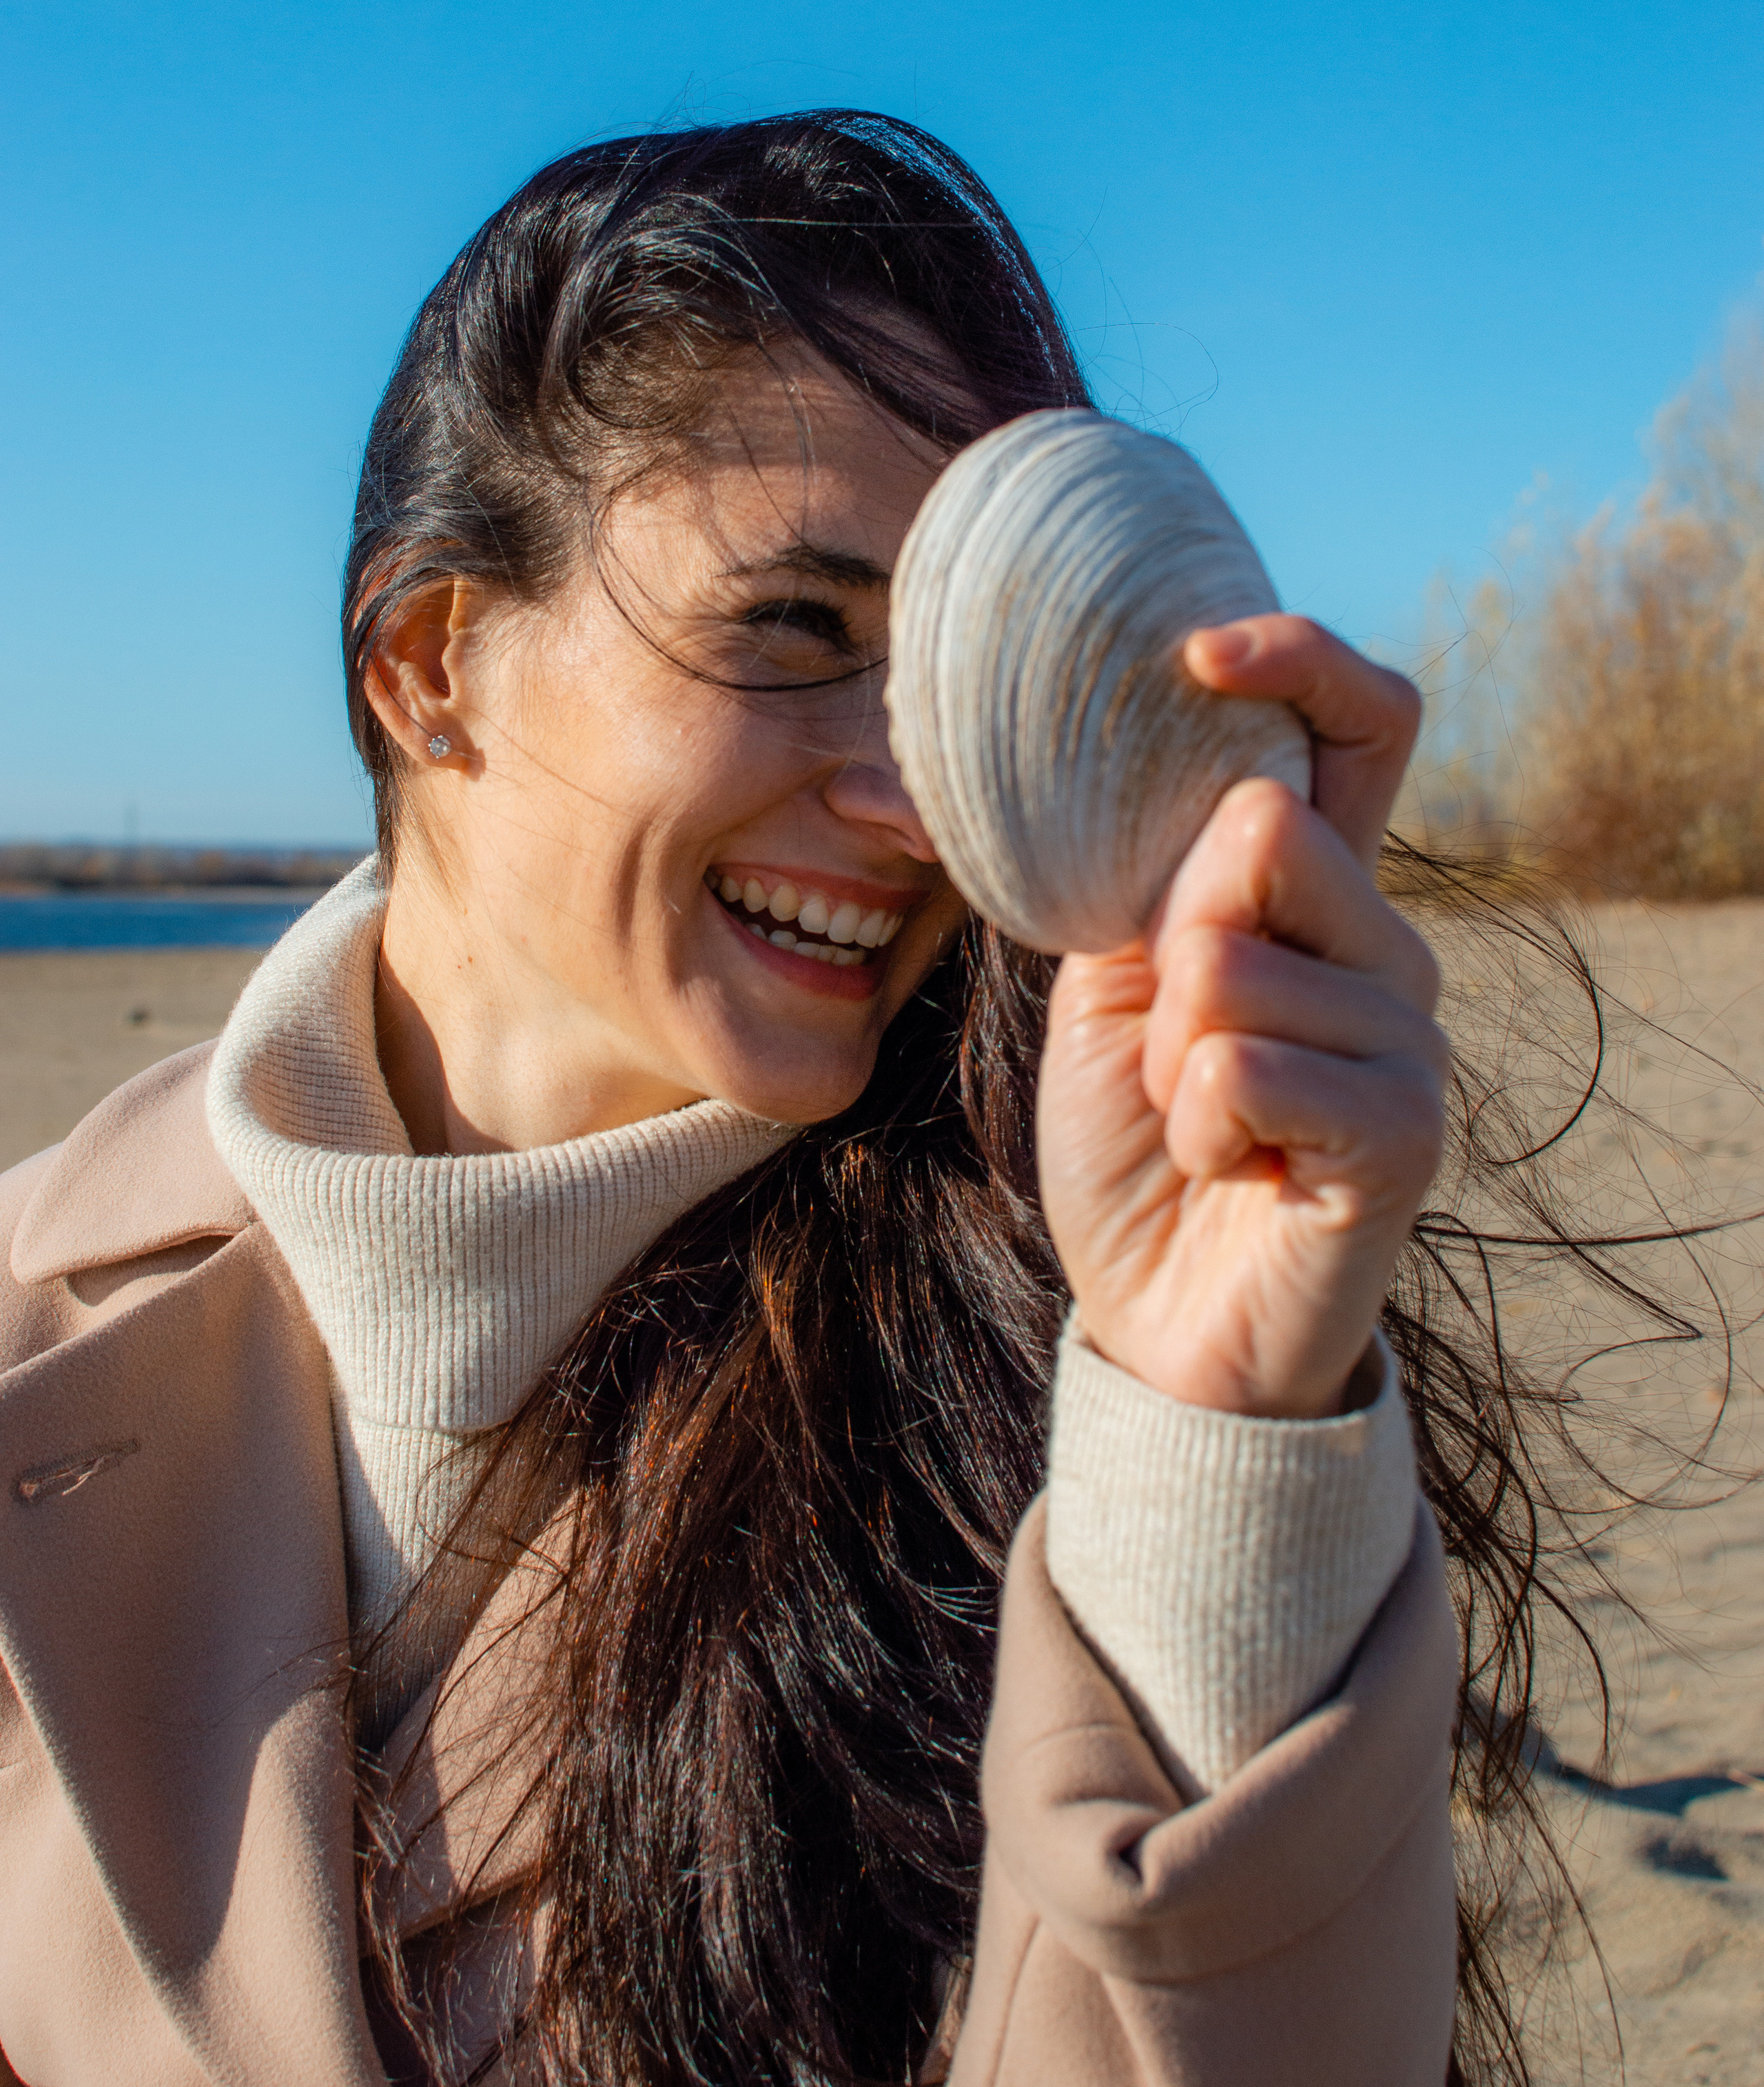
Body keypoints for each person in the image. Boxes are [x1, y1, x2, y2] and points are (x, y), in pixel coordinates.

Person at [0, 114, 1463, 2087]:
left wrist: (1212, 1428)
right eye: (795, 636)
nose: (912, 794)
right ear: (432, 664)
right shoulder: (30, 1303)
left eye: (950, 682)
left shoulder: (1045, 1373)